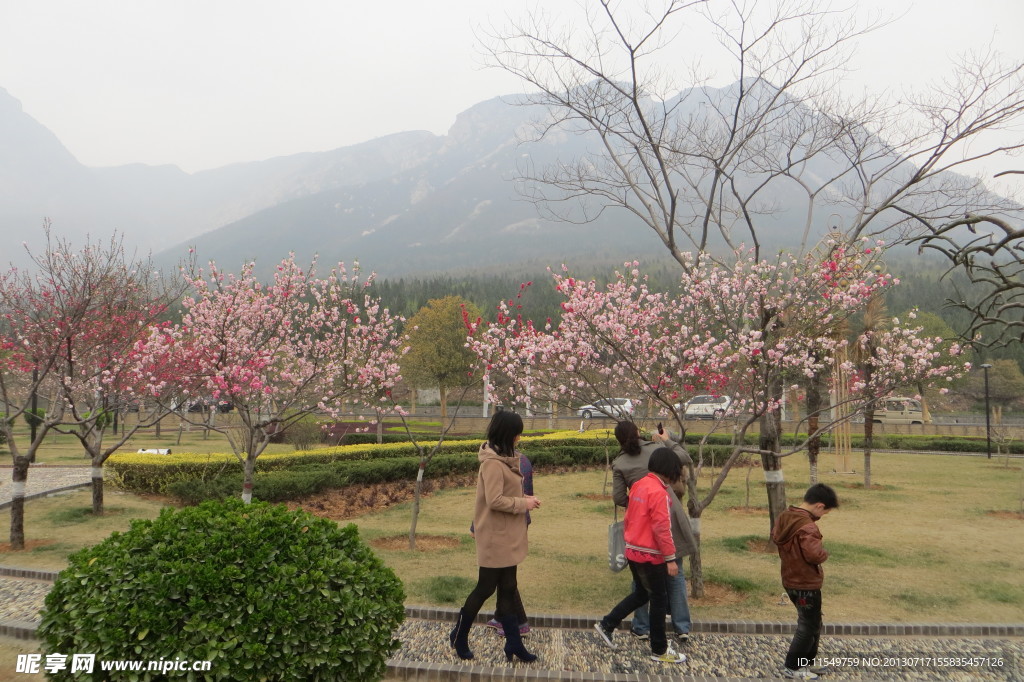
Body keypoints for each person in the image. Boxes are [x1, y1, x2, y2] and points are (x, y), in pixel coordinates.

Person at [449, 411, 541, 662]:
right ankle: (459, 636)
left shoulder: (506, 458)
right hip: (494, 536)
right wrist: (524, 503)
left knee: (508, 588)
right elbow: (494, 500)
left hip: (507, 534)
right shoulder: (491, 463)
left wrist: (524, 502)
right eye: (517, 433)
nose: (520, 437)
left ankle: (513, 643)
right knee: (485, 588)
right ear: (507, 434)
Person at [594, 448, 687, 665]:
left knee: (642, 595)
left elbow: (630, 518)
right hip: (650, 556)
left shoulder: (639, 485)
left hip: (633, 551)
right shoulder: (659, 493)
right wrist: (671, 559)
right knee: (659, 600)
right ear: (669, 470)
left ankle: (608, 624)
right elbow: (662, 529)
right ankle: (659, 649)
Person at [611, 421, 696, 643]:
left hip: (640, 522)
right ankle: (682, 627)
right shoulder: (657, 449)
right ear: (638, 433)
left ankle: (641, 626)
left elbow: (619, 498)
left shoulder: (620, 463)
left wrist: (638, 502)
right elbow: (685, 457)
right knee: (675, 573)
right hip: (669, 512)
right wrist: (666, 439)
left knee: (642, 578)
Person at [772, 483, 839, 680]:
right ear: (819, 505)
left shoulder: (785, 516)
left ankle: (806, 663)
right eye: (825, 511)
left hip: (790, 579)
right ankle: (792, 667)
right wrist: (824, 553)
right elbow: (813, 555)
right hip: (805, 584)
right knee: (807, 625)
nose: (823, 516)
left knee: (813, 622)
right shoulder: (808, 527)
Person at [473, 452, 533, 636]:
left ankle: (518, 623)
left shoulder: (515, 461)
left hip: (505, 527)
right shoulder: (516, 460)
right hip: (508, 523)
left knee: (499, 581)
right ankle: (503, 621)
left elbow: (494, 500)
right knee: (504, 579)